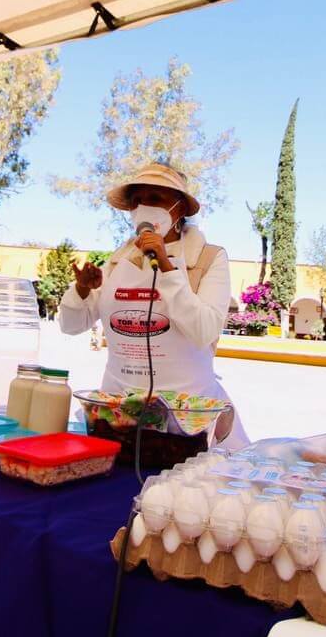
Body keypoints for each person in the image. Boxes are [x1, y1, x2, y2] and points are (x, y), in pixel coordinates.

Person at [58, 163, 246, 446]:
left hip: (188, 423)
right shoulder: (118, 261)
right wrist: (82, 290)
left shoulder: (208, 259)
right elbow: (71, 326)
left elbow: (204, 330)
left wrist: (168, 269)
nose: (144, 207)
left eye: (155, 199)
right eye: (137, 201)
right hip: (118, 418)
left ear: (179, 209)